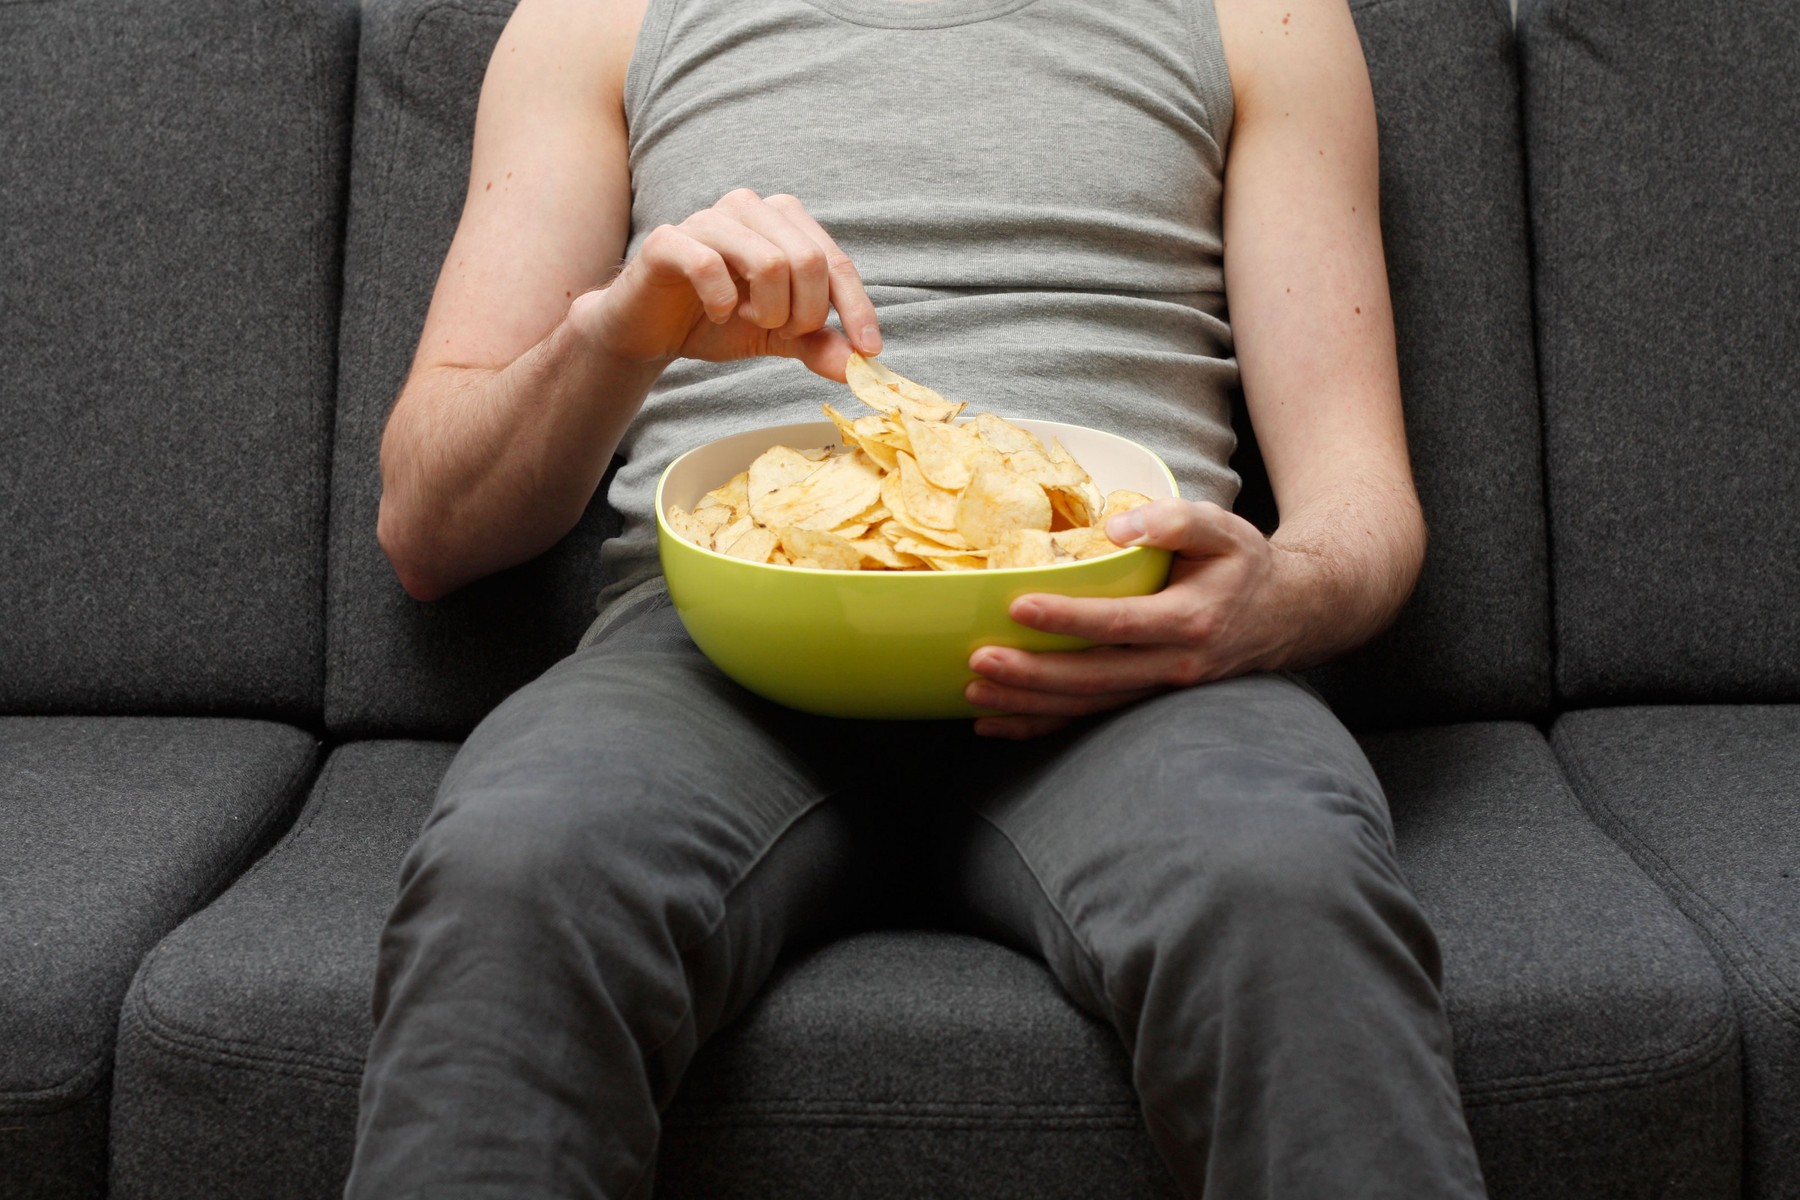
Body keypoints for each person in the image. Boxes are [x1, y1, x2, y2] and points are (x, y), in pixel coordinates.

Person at [345, 0, 1490, 1194]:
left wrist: (1277, 599)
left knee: (1283, 879)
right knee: (516, 869)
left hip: (1128, 663)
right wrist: (615, 336)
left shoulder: (1267, 16)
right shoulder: (595, 17)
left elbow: (1362, 503)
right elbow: (428, 529)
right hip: (713, 661)